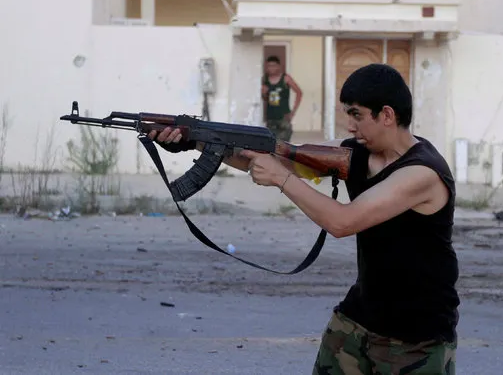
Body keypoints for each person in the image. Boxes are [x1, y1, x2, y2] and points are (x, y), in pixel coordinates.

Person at [148, 63, 460, 375]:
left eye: (357, 115)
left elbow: (343, 222)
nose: (350, 126)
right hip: (360, 319)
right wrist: (198, 142)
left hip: (417, 336)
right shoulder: (357, 154)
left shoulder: (421, 172)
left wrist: (281, 179)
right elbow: (278, 162)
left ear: (388, 115)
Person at [262, 55, 303, 141]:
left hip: (283, 118)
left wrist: (293, 112)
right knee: (271, 145)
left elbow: (299, 93)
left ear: (278, 66)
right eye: (269, 66)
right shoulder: (265, 79)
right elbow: (265, 99)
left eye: (273, 66)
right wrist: (264, 94)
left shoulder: (285, 78)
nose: (271, 68)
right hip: (270, 118)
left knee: (283, 146)